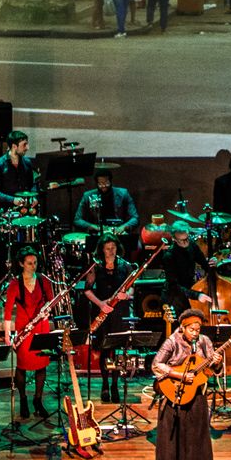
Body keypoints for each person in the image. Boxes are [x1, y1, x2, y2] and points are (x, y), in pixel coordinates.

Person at [152, 308, 222, 460]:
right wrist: (179, 375)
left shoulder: (204, 341)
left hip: (197, 392)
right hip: (174, 391)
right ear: (183, 327)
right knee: (175, 433)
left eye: (198, 330)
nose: (195, 333)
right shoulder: (172, 341)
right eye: (192, 330)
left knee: (198, 433)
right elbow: (156, 365)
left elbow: (211, 369)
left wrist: (217, 363)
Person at [3, 246, 54, 419]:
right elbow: (8, 311)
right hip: (24, 328)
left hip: (41, 327)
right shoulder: (14, 284)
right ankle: (23, 399)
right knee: (22, 365)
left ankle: (38, 400)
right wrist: (7, 335)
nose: (33, 266)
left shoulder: (43, 280)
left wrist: (48, 311)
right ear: (21, 264)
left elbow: (51, 302)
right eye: (29, 263)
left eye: (35, 263)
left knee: (41, 364)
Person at [83, 234, 134, 403]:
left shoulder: (125, 266)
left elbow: (132, 288)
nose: (111, 251)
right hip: (103, 311)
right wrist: (101, 304)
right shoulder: (96, 266)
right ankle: (105, 384)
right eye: (107, 248)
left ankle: (114, 385)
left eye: (113, 247)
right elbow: (87, 290)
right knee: (105, 349)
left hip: (120, 311)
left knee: (118, 350)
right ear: (102, 250)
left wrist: (126, 295)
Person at [74, 169, 138, 251]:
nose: (104, 186)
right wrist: (95, 227)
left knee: (136, 246)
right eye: (100, 184)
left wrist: (123, 227)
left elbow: (135, 218)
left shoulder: (123, 193)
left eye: (106, 183)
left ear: (111, 181)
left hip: (118, 233)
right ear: (96, 183)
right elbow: (77, 220)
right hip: (97, 234)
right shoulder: (88, 196)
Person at [161, 221, 212, 319]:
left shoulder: (192, 246)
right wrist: (196, 295)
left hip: (190, 290)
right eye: (182, 240)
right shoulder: (169, 256)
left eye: (187, 238)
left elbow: (204, 263)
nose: (186, 242)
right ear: (174, 239)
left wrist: (211, 264)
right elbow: (174, 285)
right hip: (175, 297)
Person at [0, 129, 38, 208]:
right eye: (24, 145)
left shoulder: (27, 162)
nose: (27, 147)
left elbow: (32, 184)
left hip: (26, 207)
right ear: (14, 146)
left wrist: (34, 197)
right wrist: (12, 199)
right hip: (7, 208)